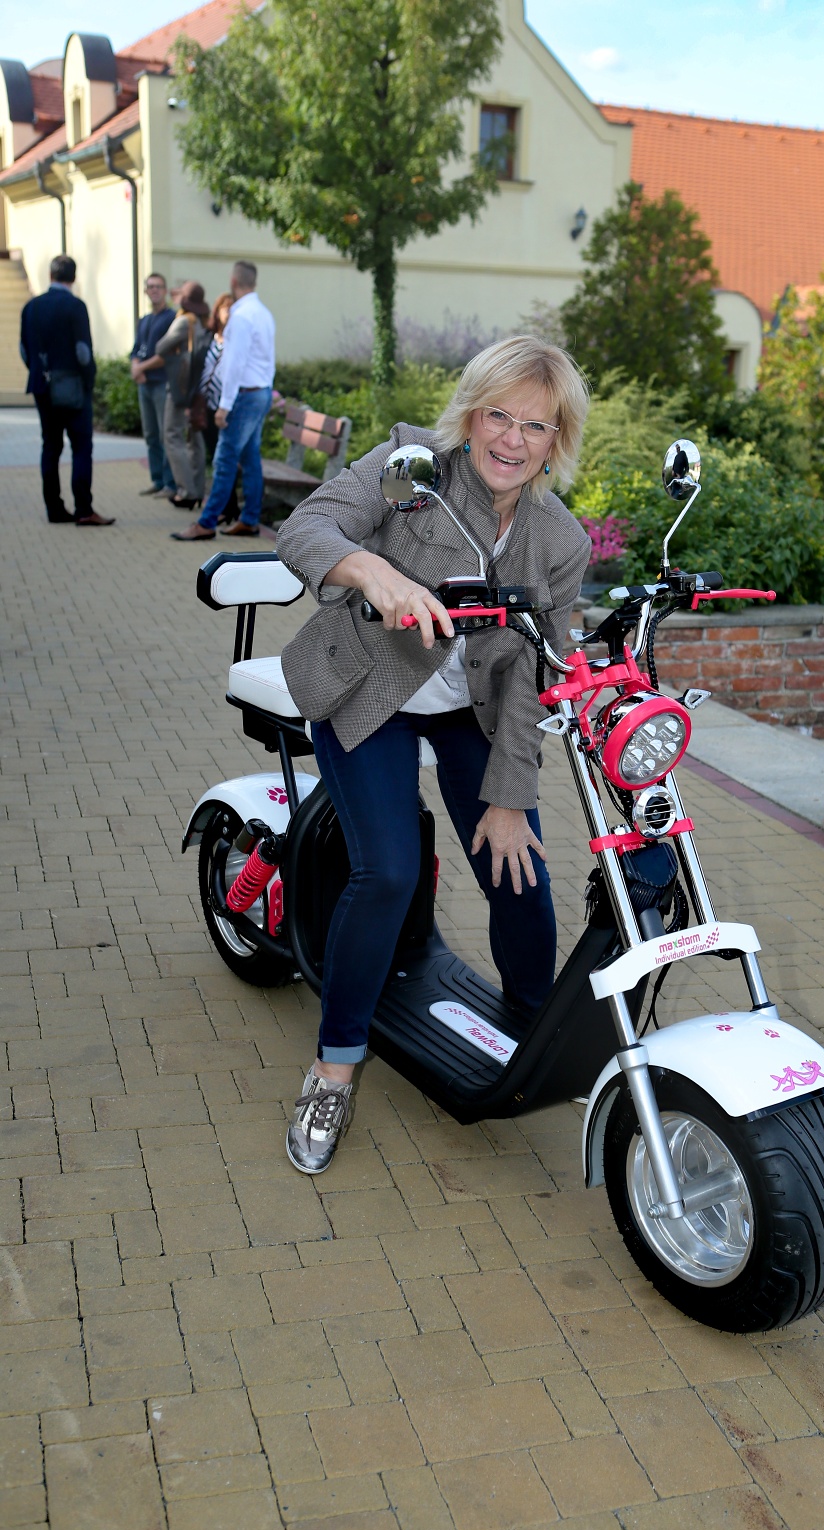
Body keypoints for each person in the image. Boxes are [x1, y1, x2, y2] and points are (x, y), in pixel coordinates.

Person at [275, 335, 591, 1173]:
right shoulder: (409, 464)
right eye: (499, 415)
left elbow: (532, 673)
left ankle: (534, 1029)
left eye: (536, 425)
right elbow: (306, 526)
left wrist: (510, 798)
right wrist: (367, 569)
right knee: (389, 872)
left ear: (556, 441)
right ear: (471, 413)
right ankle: (333, 1069)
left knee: (519, 869)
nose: (512, 439)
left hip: (467, 713)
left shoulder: (559, 541)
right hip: (366, 691)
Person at [172, 260, 275, 541]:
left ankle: (206, 522)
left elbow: (233, 364)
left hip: (243, 396)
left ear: (233, 281)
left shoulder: (241, 317)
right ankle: (250, 519)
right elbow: (268, 361)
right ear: (254, 282)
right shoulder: (263, 313)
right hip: (260, 392)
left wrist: (224, 406)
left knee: (224, 459)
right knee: (250, 458)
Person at [18, 254, 114, 527]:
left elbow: (24, 350)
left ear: (50, 276)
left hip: (41, 385)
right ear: (74, 277)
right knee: (81, 447)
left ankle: (54, 508)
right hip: (72, 387)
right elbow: (83, 352)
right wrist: (89, 381)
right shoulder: (75, 306)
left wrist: (39, 371)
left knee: (50, 446)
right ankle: (83, 509)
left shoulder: (31, 307)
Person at [136, 281, 211, 510]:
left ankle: (186, 490)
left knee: (172, 435)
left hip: (179, 386)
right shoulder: (201, 320)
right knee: (195, 439)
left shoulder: (182, 320)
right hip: (196, 385)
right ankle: (197, 488)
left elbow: (160, 347)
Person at [129, 273, 177, 498]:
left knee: (165, 435)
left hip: (161, 383)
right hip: (144, 385)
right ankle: (157, 480)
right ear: (146, 291)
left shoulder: (172, 318)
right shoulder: (144, 320)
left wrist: (141, 368)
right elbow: (136, 350)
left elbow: (167, 355)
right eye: (150, 287)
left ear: (165, 291)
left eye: (158, 286)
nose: (154, 290)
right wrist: (135, 368)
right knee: (150, 434)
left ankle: (170, 484)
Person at [198, 291, 240, 524]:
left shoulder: (236, 339)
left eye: (233, 308)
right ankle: (227, 506)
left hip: (227, 407)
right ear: (217, 311)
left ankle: (229, 507)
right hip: (207, 405)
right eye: (225, 308)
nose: (229, 312)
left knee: (224, 458)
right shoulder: (209, 338)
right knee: (215, 456)